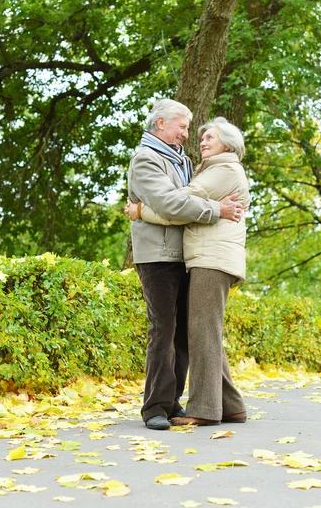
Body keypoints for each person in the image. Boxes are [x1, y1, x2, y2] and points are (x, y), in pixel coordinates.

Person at [127, 100, 245, 430]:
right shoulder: (145, 159)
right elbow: (171, 203)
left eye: (189, 128)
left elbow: (185, 201)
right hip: (157, 256)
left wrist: (145, 210)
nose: (186, 133)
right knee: (163, 328)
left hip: (183, 255)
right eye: (182, 126)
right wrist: (215, 210)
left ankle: (173, 401)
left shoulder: (183, 160)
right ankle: (155, 407)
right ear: (161, 123)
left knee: (183, 334)